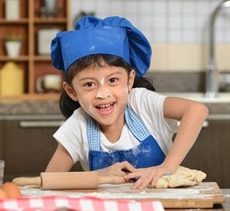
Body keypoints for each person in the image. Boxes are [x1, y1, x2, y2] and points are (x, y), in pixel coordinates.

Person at [46, 16, 208, 190]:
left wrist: (167, 167)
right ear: (71, 91)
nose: (102, 93)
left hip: (162, 209)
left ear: (130, 80)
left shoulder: (141, 103)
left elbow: (197, 110)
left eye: (113, 80)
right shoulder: (78, 125)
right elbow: (50, 180)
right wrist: (97, 176)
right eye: (89, 84)